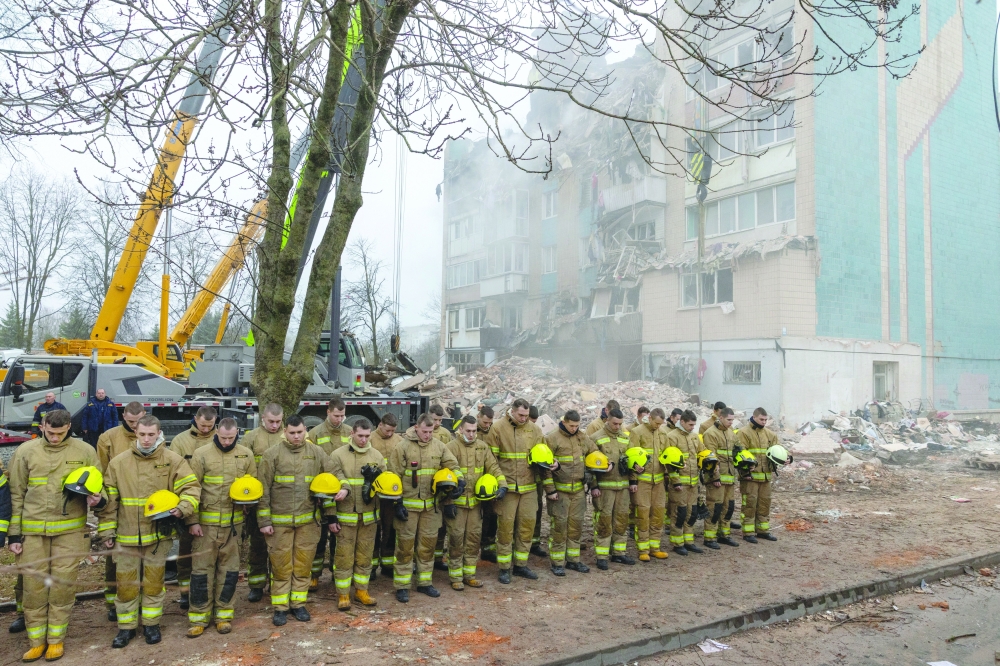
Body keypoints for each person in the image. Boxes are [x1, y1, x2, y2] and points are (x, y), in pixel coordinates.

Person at [8, 409, 103, 662]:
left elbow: (98, 484)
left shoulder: (84, 451)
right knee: (33, 588)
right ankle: (36, 642)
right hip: (32, 530)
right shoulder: (26, 452)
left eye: (60, 433)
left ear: (69, 427)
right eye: (50, 433)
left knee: (62, 587)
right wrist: (14, 536)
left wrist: (97, 498)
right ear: (42, 427)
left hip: (70, 531)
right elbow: (16, 495)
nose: (55, 438)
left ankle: (55, 641)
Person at [99, 414, 201, 649]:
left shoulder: (173, 460)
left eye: (151, 435)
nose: (146, 439)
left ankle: (151, 624)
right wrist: (107, 532)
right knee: (126, 584)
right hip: (126, 536)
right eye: (142, 434)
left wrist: (182, 508)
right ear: (136, 433)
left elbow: (191, 488)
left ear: (159, 434)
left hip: (158, 536)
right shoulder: (119, 463)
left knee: (154, 583)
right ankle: (126, 628)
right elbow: (110, 501)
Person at [257, 414, 337, 625]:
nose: (296, 437)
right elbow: (262, 490)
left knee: (303, 565)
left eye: (300, 432)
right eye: (292, 433)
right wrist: (264, 521)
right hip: (279, 523)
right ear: (285, 432)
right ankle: (280, 608)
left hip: (308, 522)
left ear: (305, 431)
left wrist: (343, 489)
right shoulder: (271, 455)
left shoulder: (316, 452)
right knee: (281, 566)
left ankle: (298, 604)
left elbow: (332, 476)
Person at [185, 418, 257, 637]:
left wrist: (247, 506)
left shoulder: (246, 454)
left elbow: (252, 485)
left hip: (233, 526)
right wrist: (192, 521)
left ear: (237, 433)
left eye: (231, 437)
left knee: (229, 572)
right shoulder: (202, 454)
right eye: (224, 437)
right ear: (217, 431)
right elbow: (191, 488)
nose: (227, 441)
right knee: (201, 573)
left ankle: (224, 615)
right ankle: (199, 617)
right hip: (205, 527)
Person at [388, 413, 462, 602]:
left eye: (430, 431)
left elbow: (453, 465)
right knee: (405, 547)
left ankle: (424, 583)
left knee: (427, 547)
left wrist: (459, 480)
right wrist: (397, 503)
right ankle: (402, 586)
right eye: (424, 431)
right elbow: (393, 476)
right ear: (416, 428)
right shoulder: (402, 447)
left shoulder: (439, 446)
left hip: (431, 507)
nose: (427, 435)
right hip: (408, 509)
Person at [485, 398, 547, 583]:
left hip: (529, 489)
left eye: (526, 416)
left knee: (526, 528)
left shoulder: (534, 430)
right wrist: (499, 484)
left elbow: (543, 456)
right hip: (508, 489)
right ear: (512, 411)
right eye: (520, 415)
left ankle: (521, 565)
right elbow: (490, 460)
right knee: (505, 529)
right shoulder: (497, 428)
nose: (523, 418)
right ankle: (504, 568)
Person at [95, 401, 146, 622]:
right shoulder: (108, 438)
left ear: (145, 415)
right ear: (123, 415)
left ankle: (142, 599)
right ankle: (113, 602)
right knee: (114, 556)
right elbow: (103, 471)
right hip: (117, 502)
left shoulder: (149, 434)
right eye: (130, 421)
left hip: (143, 505)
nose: (134, 427)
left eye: (138, 421)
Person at [327, 418, 385, 609]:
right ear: (351, 433)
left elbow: (385, 485)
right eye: (360, 435)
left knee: (365, 556)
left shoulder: (377, 456)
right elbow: (329, 485)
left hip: (369, 518)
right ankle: (343, 595)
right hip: (345, 518)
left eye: (367, 436)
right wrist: (331, 517)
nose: (363, 440)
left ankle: (362, 591)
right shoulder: (337, 455)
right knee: (343, 557)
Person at [445, 416, 505, 589]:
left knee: (473, 540)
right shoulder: (451, 448)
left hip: (476, 506)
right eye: (468, 431)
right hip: (457, 505)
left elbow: (493, 467)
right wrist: (448, 502)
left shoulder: (482, 447)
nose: (472, 435)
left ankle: (469, 575)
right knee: (456, 541)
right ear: (461, 430)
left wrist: (502, 486)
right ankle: (455, 577)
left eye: (474, 431)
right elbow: (443, 477)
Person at [168, 406, 218, 609]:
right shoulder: (181, 441)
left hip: (214, 505)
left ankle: (208, 591)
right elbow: (173, 472)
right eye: (202, 425)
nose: (206, 429)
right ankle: (185, 593)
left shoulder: (221, 439)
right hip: (188, 505)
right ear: (195, 419)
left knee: (213, 554)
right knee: (186, 552)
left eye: (210, 425)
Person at [240, 403, 285, 601]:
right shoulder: (250, 438)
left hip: (282, 501)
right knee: (257, 545)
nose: (275, 425)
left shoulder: (289, 436)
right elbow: (242, 469)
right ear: (262, 418)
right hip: (257, 501)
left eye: (278, 421)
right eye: (271, 421)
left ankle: (279, 584)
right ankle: (256, 584)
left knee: (281, 547)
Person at [543, 410, 596, 575]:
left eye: (577, 425)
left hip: (578, 491)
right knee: (559, 527)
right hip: (560, 492)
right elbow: (545, 467)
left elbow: (594, 454)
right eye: (571, 425)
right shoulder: (552, 438)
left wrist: (591, 472)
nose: (574, 428)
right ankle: (557, 563)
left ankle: (573, 560)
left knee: (576, 527)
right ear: (564, 422)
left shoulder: (582, 437)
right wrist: (550, 490)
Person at [307, 398, 351, 585]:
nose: (339, 419)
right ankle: (314, 575)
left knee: (338, 536)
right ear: (328, 412)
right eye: (336, 415)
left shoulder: (349, 432)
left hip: (341, 492)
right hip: (321, 493)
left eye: (342, 416)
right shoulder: (315, 433)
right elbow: (310, 462)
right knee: (319, 535)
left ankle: (336, 573)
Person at [591, 408, 637, 569]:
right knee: (604, 521)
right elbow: (589, 465)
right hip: (604, 488)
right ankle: (602, 556)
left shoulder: (625, 438)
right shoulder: (596, 438)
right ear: (607, 421)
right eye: (614, 423)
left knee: (622, 520)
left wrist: (633, 481)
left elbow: (632, 461)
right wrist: (594, 486)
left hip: (623, 488)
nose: (617, 427)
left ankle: (619, 553)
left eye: (620, 424)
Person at [737, 407, 785, 543]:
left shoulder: (770, 434)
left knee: (764, 503)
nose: (764, 422)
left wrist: (787, 458)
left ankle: (763, 530)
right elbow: (740, 454)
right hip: (750, 477)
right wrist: (745, 472)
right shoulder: (743, 433)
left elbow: (779, 450)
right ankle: (748, 532)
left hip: (765, 477)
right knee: (750, 504)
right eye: (761, 419)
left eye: (766, 420)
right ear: (754, 417)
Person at [630, 408, 669, 561]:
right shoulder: (637, 432)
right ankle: (643, 549)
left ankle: (655, 548)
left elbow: (665, 455)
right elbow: (631, 456)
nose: (658, 426)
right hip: (643, 481)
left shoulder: (663, 433)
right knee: (643, 515)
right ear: (650, 418)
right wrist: (633, 479)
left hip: (658, 482)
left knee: (658, 514)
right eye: (656, 423)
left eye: (661, 424)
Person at [369, 413, 402, 578]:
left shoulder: (398, 440)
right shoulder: (370, 439)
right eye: (387, 430)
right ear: (380, 425)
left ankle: (388, 564)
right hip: (376, 494)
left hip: (392, 494)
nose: (390, 434)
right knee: (375, 529)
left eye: (393, 431)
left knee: (390, 530)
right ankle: (372, 566)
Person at [665, 410, 702, 555]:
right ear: (682, 422)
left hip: (693, 483)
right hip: (679, 485)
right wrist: (675, 481)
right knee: (678, 514)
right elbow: (670, 463)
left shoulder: (694, 437)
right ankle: (677, 543)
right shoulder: (672, 437)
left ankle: (689, 541)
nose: (693, 427)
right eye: (690, 424)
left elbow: (701, 453)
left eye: (694, 424)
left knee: (691, 513)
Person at [475, 406, 500, 563]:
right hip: (473, 483)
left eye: (490, 422)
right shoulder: (469, 431)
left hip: (490, 482)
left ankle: (488, 549)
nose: (487, 425)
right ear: (478, 416)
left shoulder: (494, 432)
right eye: (485, 422)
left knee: (491, 517)